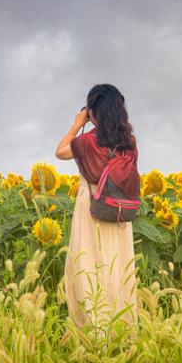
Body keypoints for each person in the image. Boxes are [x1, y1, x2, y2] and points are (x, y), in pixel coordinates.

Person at [55, 84, 140, 337]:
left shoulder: (88, 141)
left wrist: (77, 124)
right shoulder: (129, 142)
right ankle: (122, 331)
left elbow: (60, 152)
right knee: (118, 270)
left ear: (92, 111)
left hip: (92, 210)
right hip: (119, 214)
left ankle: (94, 333)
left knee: (88, 268)